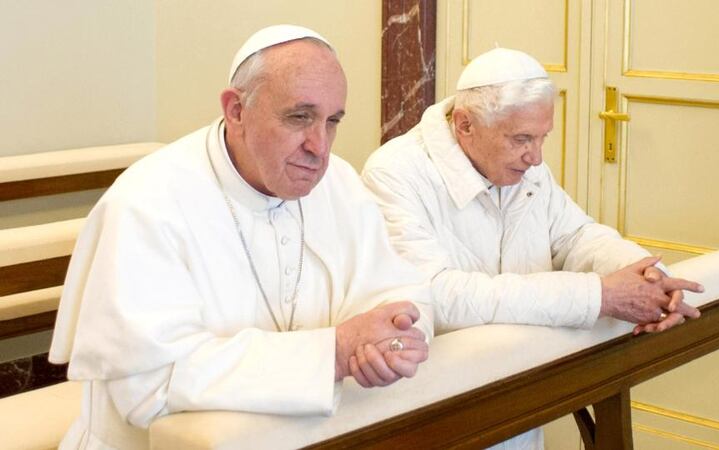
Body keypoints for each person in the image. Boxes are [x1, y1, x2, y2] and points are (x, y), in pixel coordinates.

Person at [49, 25, 433, 449]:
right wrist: (334, 352)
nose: (320, 147)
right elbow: (148, 384)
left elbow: (398, 290)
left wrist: (392, 337)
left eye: (332, 121)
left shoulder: (338, 182)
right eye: (299, 117)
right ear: (236, 110)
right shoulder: (147, 202)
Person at [361, 48, 703, 448]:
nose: (536, 156)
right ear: (465, 125)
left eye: (542, 138)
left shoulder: (524, 163)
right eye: (522, 139)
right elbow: (435, 295)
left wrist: (643, 273)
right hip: (440, 409)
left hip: (521, 393)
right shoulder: (394, 174)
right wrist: (598, 296)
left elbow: (574, 236)